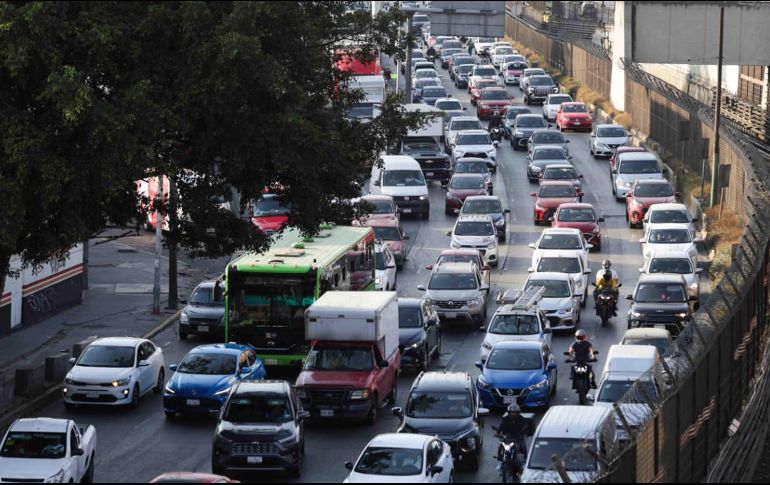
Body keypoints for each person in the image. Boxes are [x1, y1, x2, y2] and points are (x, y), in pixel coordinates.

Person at [496, 404, 529, 469]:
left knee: (523, 447)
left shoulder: (521, 419)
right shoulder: (506, 419)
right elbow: (501, 426)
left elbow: (525, 427)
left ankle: (523, 462)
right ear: (509, 412)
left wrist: (525, 433)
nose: (513, 414)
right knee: (500, 446)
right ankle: (499, 462)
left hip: (518, 438)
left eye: (515, 413)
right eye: (511, 412)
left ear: (518, 413)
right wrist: (498, 432)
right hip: (508, 438)